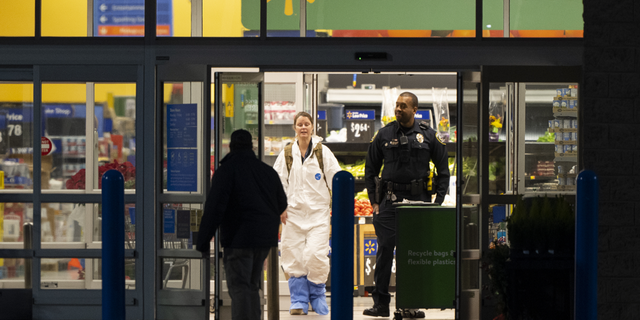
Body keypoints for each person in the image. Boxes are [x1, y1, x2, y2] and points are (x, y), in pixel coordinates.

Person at [363, 92, 450, 318]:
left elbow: (443, 172)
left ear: (415, 110)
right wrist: (374, 203)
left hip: (418, 203)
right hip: (389, 203)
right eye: (397, 105)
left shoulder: (429, 136)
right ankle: (381, 304)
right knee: (385, 250)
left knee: (413, 253)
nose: (398, 109)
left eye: (403, 106)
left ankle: (411, 304)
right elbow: (370, 171)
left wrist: (437, 203)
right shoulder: (383, 134)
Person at [196, 129, 288, 320]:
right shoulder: (266, 171)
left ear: (230, 146)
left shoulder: (226, 171)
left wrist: (203, 241)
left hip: (238, 239)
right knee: (253, 286)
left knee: (239, 287)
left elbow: (214, 208)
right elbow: (282, 204)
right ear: (251, 146)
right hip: (264, 241)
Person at [273, 111, 342, 315]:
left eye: (307, 124)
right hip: (292, 216)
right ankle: (299, 299)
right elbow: (277, 182)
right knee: (292, 256)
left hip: (318, 216)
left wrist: (338, 207)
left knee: (316, 255)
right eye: (300, 124)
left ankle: (317, 295)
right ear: (294, 128)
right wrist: (280, 206)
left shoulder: (323, 153)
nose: (303, 127)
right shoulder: (286, 153)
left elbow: (336, 179)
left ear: (313, 128)